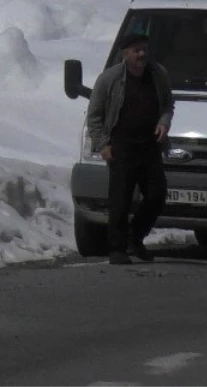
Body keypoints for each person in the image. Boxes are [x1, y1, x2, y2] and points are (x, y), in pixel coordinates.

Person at [85, 32, 175, 265]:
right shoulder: (109, 79)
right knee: (120, 200)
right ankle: (117, 249)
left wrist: (164, 123)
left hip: (150, 145)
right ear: (125, 54)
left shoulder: (158, 74)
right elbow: (94, 116)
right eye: (136, 50)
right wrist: (102, 145)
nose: (142, 54)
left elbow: (167, 104)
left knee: (156, 196)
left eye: (144, 49)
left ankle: (135, 238)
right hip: (121, 146)